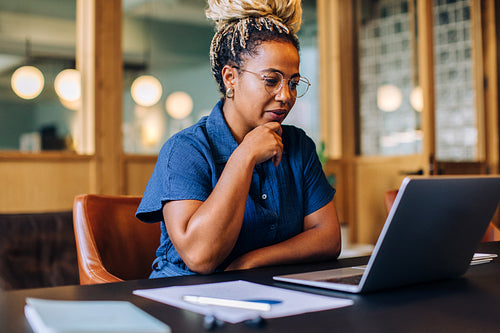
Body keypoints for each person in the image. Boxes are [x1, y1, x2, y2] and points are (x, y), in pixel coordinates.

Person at [136, 0, 341, 278]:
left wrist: (252, 261)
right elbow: (200, 257)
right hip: (184, 299)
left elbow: (328, 237)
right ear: (230, 78)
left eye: (293, 83)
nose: (285, 96)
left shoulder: (299, 146)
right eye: (271, 80)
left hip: (266, 292)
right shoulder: (185, 150)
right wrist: (244, 156)